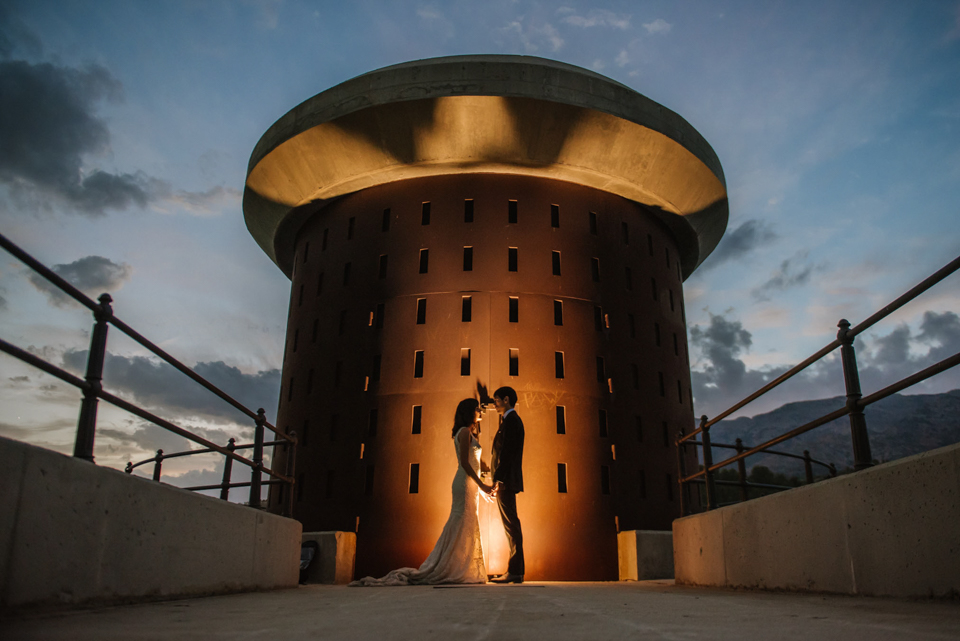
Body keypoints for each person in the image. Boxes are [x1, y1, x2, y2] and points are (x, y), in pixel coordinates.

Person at [350, 398, 495, 586]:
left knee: (464, 523)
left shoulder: (466, 432)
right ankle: (450, 566)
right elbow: (466, 464)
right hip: (465, 484)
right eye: (477, 408)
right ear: (468, 411)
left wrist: (481, 489)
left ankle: (459, 566)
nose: (480, 411)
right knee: (460, 522)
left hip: (469, 485)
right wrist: (482, 485)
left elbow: (471, 465)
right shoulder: (465, 432)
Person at [490, 386, 525, 583]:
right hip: (507, 479)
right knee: (511, 525)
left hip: (507, 481)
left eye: (496, 401)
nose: (494, 405)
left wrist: (498, 479)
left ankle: (515, 571)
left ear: (506, 399)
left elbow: (507, 452)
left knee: (511, 526)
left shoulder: (511, 421)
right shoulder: (510, 421)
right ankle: (515, 570)